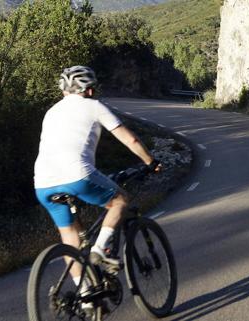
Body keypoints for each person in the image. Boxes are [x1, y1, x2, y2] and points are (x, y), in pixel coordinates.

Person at [34, 66, 159, 285]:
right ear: (90, 90)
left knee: (70, 237)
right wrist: (151, 162)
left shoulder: (51, 112)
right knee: (119, 201)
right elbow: (130, 140)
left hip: (43, 182)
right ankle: (100, 251)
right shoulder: (94, 106)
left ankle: (84, 295)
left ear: (64, 90)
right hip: (76, 174)